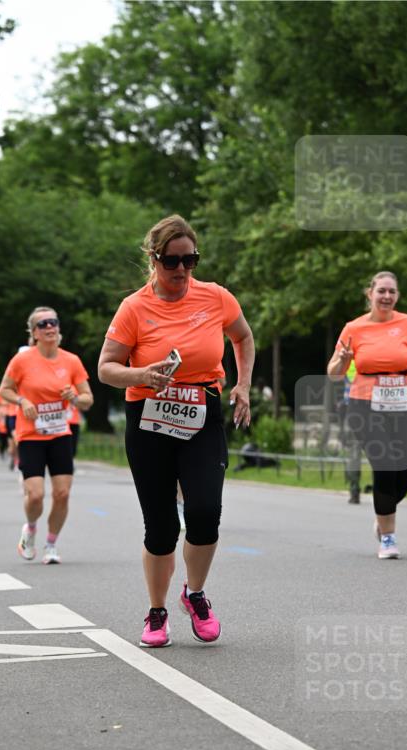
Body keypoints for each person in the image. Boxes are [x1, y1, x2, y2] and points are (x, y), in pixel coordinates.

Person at [98, 214, 254, 647]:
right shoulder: (134, 307)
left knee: (205, 512)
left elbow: (243, 337)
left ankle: (196, 593)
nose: (182, 270)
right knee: (162, 527)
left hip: (202, 412)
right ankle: (156, 611)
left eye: (191, 260)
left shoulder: (216, 297)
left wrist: (242, 385)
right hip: (148, 420)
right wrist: (143, 374)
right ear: (154, 259)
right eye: (172, 261)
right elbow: (106, 369)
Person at [327, 270, 407, 558]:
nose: (386, 296)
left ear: (397, 296)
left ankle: (382, 513)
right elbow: (334, 374)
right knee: (385, 464)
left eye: (391, 291)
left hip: (404, 402)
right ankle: (388, 537)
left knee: (404, 473)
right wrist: (342, 360)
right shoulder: (354, 328)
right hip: (365, 404)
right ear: (370, 294)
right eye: (381, 291)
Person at [0, 306, 93, 564]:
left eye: (54, 322)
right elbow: (3, 390)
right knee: (37, 495)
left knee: (62, 493)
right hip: (30, 434)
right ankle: (30, 528)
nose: (50, 327)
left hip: (60, 434)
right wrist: (21, 401)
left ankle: (51, 545)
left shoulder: (71, 360)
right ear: (34, 333)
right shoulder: (22, 360)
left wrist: (74, 397)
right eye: (43, 324)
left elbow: (88, 399)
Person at [337, 359, 363, 504]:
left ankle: (354, 491)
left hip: (352, 409)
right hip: (374, 408)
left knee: (354, 453)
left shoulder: (349, 360)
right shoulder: (374, 354)